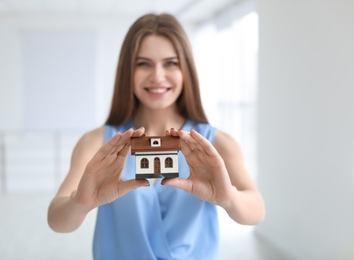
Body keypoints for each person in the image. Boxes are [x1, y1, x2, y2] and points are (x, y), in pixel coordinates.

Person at [48, 13, 265, 259]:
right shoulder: (97, 143)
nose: (158, 76)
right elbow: (57, 220)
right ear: (127, 71)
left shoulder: (217, 144)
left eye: (170, 63)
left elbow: (256, 210)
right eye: (143, 63)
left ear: (186, 69)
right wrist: (80, 203)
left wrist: (229, 199)